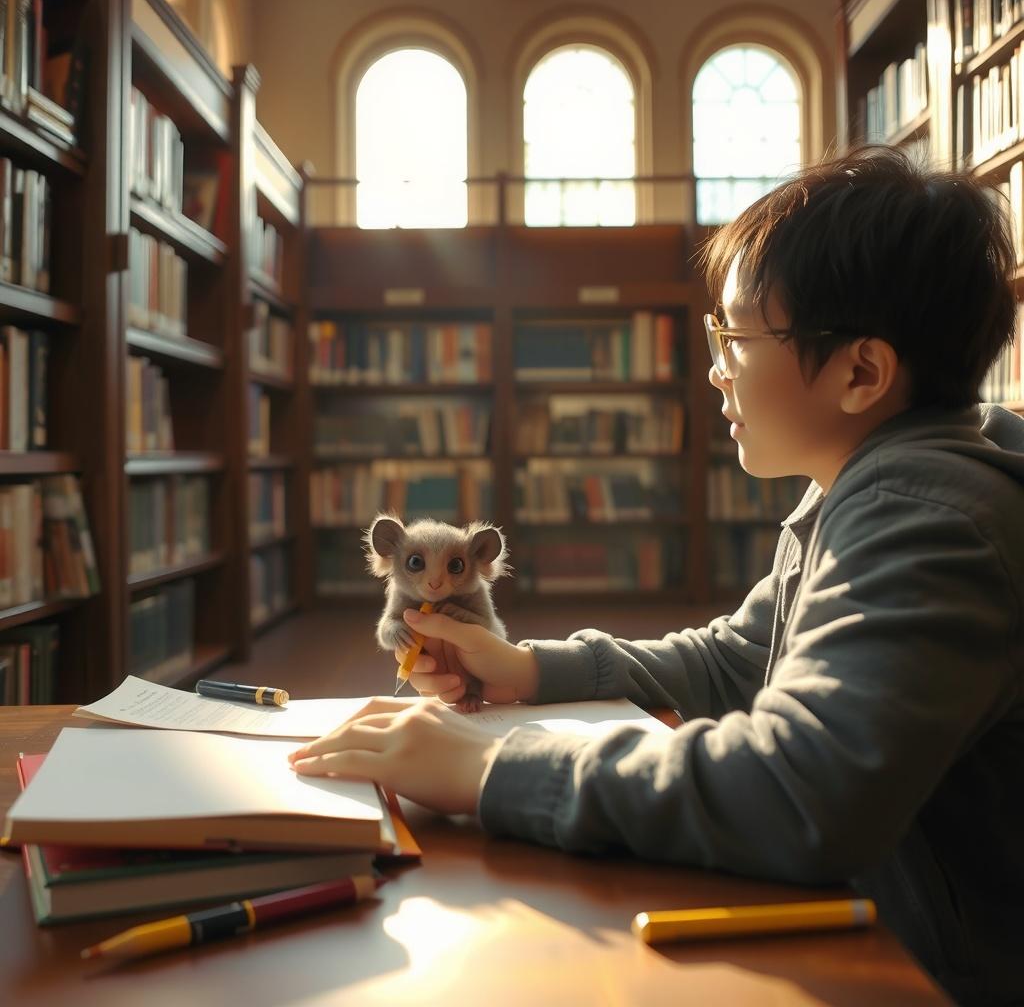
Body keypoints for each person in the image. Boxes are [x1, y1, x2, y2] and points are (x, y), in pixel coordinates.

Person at [289, 146, 1024, 1006]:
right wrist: (527, 668)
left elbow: (803, 789)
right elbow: (737, 660)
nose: (715, 368)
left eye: (734, 338)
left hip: (933, 977)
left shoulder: (927, 517)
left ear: (861, 372)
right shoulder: (866, 486)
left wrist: (492, 769)